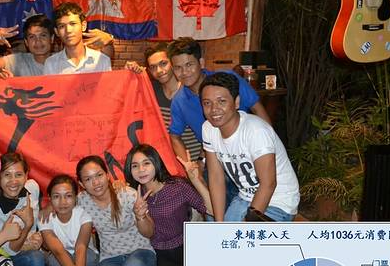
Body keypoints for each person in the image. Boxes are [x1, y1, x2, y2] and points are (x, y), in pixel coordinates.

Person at [200, 73, 300, 221]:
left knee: (244, 235)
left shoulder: (256, 131)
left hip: (278, 201)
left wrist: (247, 225)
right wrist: (219, 224)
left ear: (236, 102)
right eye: (207, 103)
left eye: (221, 101)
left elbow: (268, 184)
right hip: (245, 197)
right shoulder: (208, 129)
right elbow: (216, 177)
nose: (214, 109)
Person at [76, 156, 155, 266]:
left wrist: (140, 216)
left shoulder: (127, 194)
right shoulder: (82, 200)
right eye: (88, 179)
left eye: (99, 175)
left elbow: (149, 232)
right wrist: (49, 207)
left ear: (107, 175)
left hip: (141, 252)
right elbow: (63, 203)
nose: (96, 183)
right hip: (111, 257)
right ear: (81, 184)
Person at [124, 144, 212, 266]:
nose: (141, 170)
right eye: (135, 166)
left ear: (156, 163)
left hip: (187, 243)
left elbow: (211, 210)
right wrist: (140, 216)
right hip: (160, 249)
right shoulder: (131, 195)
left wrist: (195, 180)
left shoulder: (178, 186)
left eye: (146, 163)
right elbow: (148, 233)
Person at [167, 37, 271, 163]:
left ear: (201, 63)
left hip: (248, 149)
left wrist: (269, 142)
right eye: (178, 67)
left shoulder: (227, 79)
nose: (184, 72)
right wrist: (189, 166)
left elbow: (257, 107)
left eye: (189, 65)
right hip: (214, 157)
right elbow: (174, 135)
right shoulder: (179, 101)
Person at [125, 43, 202, 162]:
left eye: (163, 63)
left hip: (195, 161)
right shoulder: (150, 91)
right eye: (153, 67)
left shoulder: (189, 89)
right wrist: (130, 73)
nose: (159, 71)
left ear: (173, 63)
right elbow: (124, 98)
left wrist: (201, 161)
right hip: (165, 163)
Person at [0, 14, 115, 78]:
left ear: (52, 38)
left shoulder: (61, 60)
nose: (38, 42)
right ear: (26, 42)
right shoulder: (17, 61)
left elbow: (104, 58)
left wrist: (109, 40)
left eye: (43, 36)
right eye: (32, 37)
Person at [38, 174, 98, 266]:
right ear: (49, 197)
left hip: (83, 254)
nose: (63, 202)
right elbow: (57, 250)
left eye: (68, 196)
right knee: (53, 260)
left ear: (76, 197)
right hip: (61, 255)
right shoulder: (44, 218)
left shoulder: (84, 215)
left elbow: (81, 246)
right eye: (56, 196)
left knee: (90, 257)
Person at [44, 2, 112, 74]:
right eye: (62, 26)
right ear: (56, 31)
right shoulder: (51, 64)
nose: (68, 30)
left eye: (73, 24)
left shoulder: (102, 60)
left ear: (83, 26)